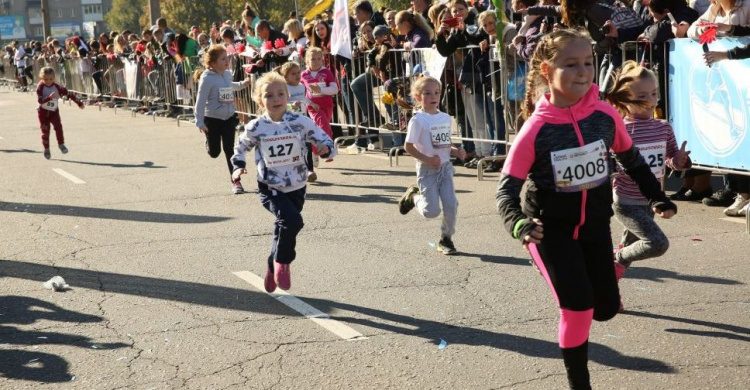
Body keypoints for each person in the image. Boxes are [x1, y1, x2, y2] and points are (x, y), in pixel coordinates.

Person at [495, 29, 677, 390]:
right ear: (547, 71)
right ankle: (580, 384)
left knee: (605, 309)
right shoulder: (536, 129)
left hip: (594, 228)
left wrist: (657, 196)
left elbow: (633, 161)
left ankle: (597, 273)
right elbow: (505, 192)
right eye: (571, 64)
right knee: (577, 307)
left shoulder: (605, 116)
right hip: (549, 230)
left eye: (588, 63)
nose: (583, 71)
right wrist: (518, 225)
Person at [231, 72, 336, 292]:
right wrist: (238, 165)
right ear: (260, 101)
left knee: (284, 227)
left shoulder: (299, 122)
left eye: (280, 94)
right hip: (271, 186)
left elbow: (321, 137)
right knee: (294, 222)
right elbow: (241, 145)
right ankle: (283, 264)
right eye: (269, 95)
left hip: (297, 184)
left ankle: (272, 265)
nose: (276, 99)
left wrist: (326, 148)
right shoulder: (256, 126)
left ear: (288, 97)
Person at [604, 61, 691, 311]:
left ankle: (609, 291)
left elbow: (671, 160)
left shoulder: (663, 127)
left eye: (654, 94)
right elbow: (608, 164)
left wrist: (680, 160)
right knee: (656, 244)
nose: (650, 101)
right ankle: (613, 260)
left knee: (631, 249)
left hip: (650, 201)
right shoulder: (620, 129)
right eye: (642, 96)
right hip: (626, 201)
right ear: (624, 99)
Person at [398, 76, 467, 255]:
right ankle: (413, 197)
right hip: (427, 170)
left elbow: (443, 144)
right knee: (431, 212)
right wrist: (427, 160)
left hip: (445, 169)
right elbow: (408, 146)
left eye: (436, 92)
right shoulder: (418, 120)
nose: (433, 96)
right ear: (418, 97)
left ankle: (446, 239)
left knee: (451, 205)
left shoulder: (444, 118)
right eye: (427, 93)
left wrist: (456, 151)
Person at [194, 45, 253, 194]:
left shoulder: (227, 74)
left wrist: (241, 84)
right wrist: (199, 122)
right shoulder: (207, 78)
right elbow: (200, 101)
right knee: (215, 152)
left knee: (229, 150)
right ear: (213, 63)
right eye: (223, 59)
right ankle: (209, 143)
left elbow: (228, 86)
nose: (227, 61)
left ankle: (236, 181)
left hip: (228, 118)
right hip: (212, 120)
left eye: (227, 57)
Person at [277, 62, 320, 182]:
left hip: (302, 120)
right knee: (293, 148)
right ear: (285, 77)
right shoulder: (284, 88)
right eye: (293, 74)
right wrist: (291, 106)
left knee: (307, 145)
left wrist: (312, 103)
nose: (297, 75)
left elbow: (303, 98)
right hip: (289, 122)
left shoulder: (301, 86)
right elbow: (282, 104)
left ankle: (310, 170)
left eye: (298, 73)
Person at [301, 47, 338, 170]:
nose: (316, 61)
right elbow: (300, 92)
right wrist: (305, 102)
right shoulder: (304, 75)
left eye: (319, 59)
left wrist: (321, 89)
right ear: (307, 61)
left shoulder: (326, 72)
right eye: (313, 59)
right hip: (313, 106)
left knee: (322, 127)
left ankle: (314, 151)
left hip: (327, 104)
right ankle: (326, 149)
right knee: (323, 126)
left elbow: (335, 89)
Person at [36, 67, 85, 160]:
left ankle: (61, 144)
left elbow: (69, 94)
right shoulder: (40, 87)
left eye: (51, 79)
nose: (48, 81)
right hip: (43, 113)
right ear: (42, 78)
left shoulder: (56, 87)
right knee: (45, 131)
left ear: (54, 78)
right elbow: (40, 100)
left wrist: (79, 103)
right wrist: (49, 98)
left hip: (54, 111)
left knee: (58, 127)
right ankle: (46, 149)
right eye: (45, 79)